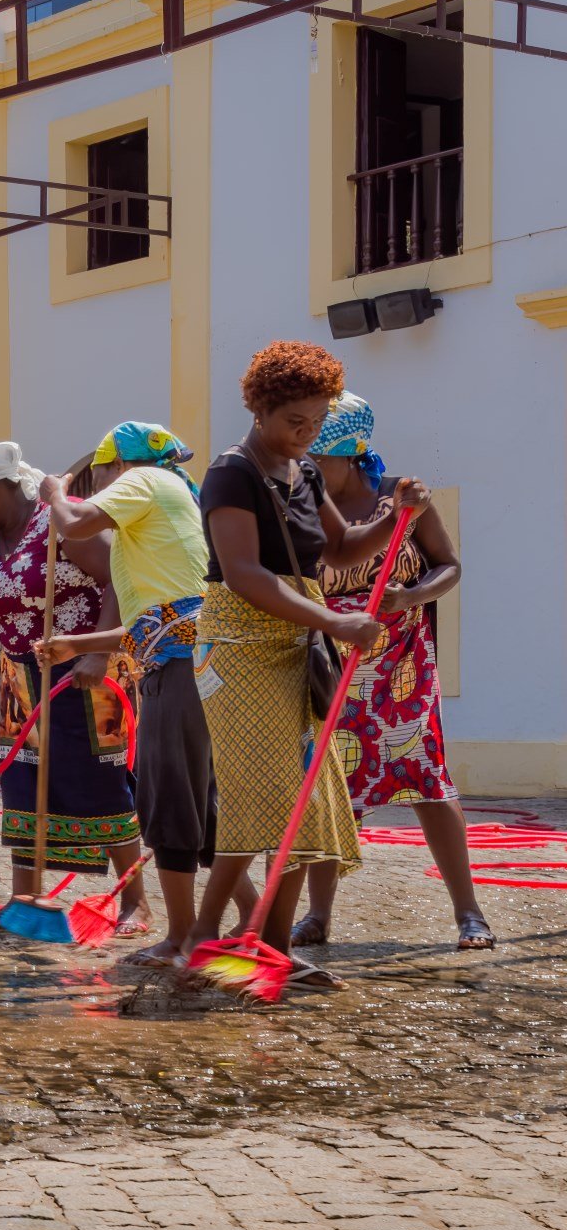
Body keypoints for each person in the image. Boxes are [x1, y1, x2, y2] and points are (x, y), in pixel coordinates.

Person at [191, 342, 428, 989]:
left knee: (301, 796)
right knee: (256, 795)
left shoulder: (308, 472)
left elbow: (342, 548)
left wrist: (397, 516)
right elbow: (242, 573)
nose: (308, 434)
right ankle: (201, 942)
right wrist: (332, 621)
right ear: (261, 408)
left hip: (300, 641)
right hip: (238, 647)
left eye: (318, 423)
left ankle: (270, 948)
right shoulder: (230, 473)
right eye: (297, 421)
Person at [35, 424, 254, 961]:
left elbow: (75, 523)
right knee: (198, 801)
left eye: (100, 477)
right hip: (184, 656)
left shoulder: (146, 480)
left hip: (180, 664)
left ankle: (181, 936)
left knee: (171, 799)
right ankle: (249, 916)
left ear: (117, 467)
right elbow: (153, 617)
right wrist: (79, 643)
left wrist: (56, 494)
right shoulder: (167, 499)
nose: (102, 487)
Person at [0, 442, 151, 927]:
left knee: (99, 780)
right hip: (22, 682)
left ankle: (135, 902)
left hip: (86, 679)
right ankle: (23, 903)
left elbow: (118, 578)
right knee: (25, 787)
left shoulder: (59, 526)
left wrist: (97, 652)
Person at [294, 393, 488, 950]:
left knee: (426, 775)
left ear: (352, 455)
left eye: (319, 461)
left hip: (403, 664)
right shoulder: (307, 507)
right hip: (333, 667)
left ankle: (469, 913)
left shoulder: (402, 498)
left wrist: (410, 597)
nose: (309, 472)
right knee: (328, 787)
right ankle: (318, 915)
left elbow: (449, 567)